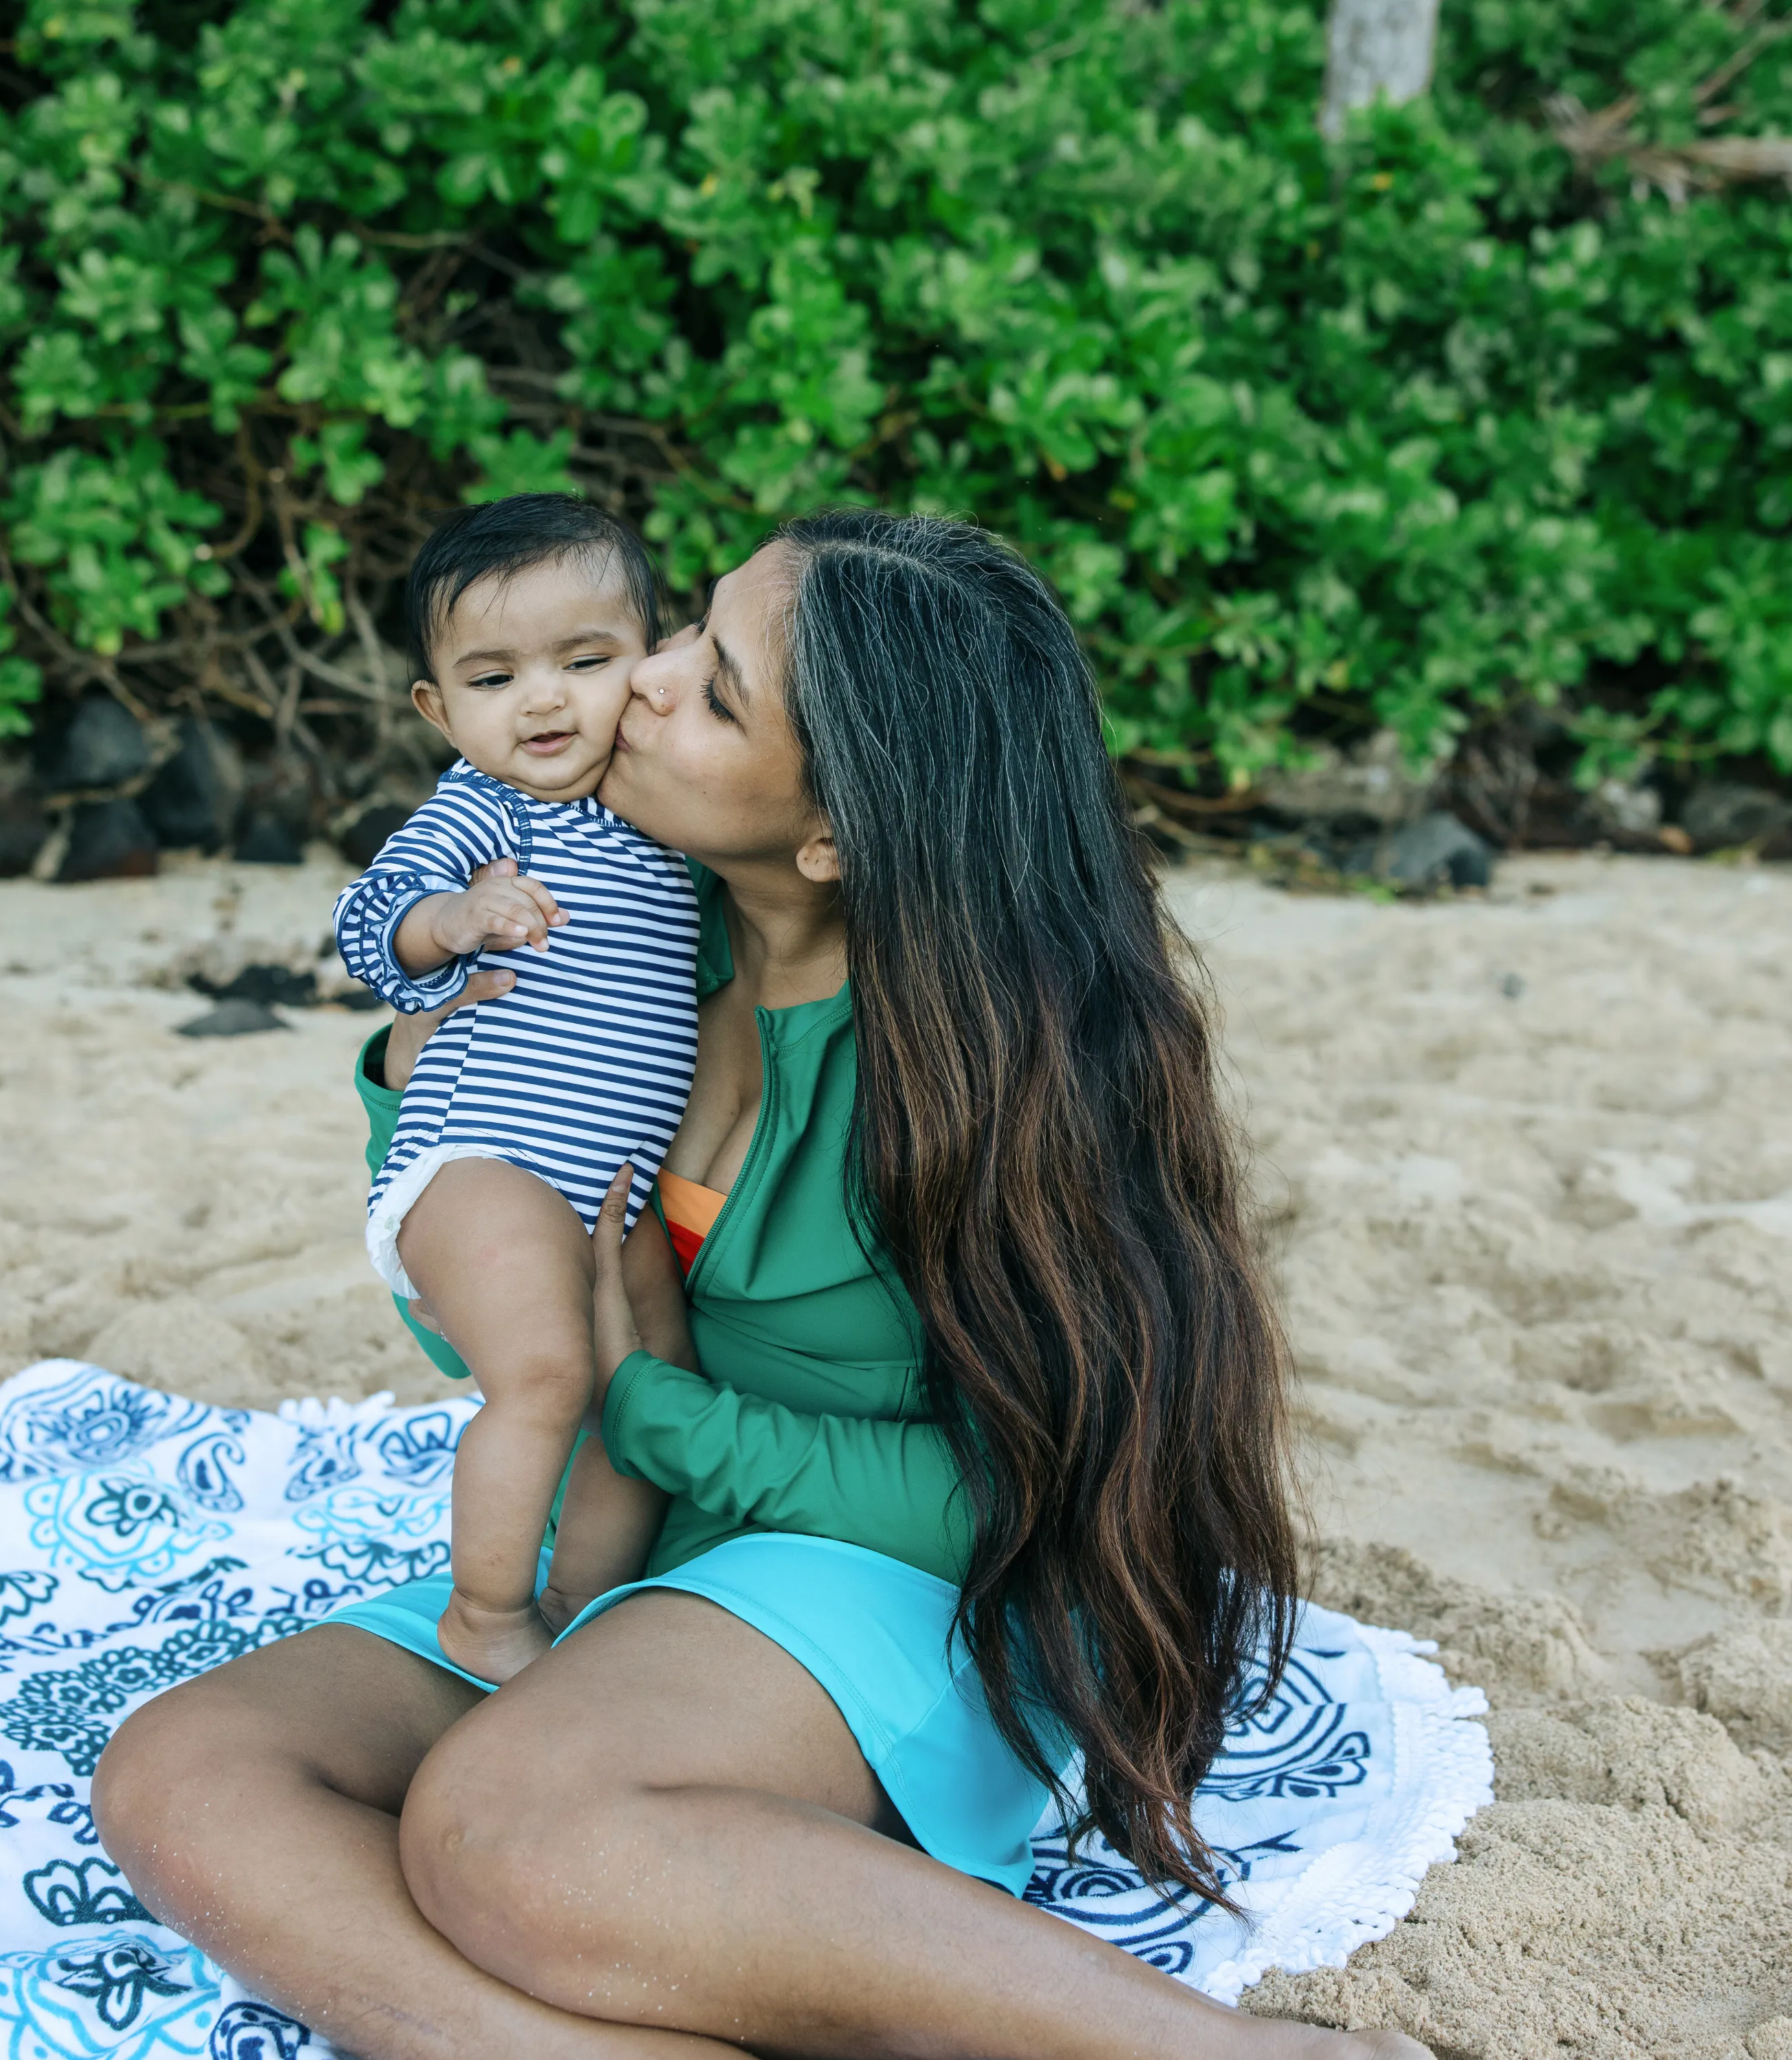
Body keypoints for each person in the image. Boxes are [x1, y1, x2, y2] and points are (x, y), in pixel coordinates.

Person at [94, 510, 1430, 2060]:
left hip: (911, 1585)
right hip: (647, 1547)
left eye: (712, 688)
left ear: (834, 836)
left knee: (504, 1834)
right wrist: (423, 1102)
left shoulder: (991, 1086)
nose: (635, 682)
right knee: (190, 1773)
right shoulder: (626, 944)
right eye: (683, 632)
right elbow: (500, 1327)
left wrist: (666, 1415)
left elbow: (1026, 1497)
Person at [334, 494, 699, 1682]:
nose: (543, 700)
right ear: (439, 709)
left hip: (615, 1187)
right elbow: (366, 927)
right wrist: (455, 920)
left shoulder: (666, 811)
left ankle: (581, 1603)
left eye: (584, 661)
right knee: (544, 1375)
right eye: (493, 680)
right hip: (482, 1160)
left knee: (649, 1403)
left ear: (651, 661)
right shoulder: (485, 810)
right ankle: (485, 1614)